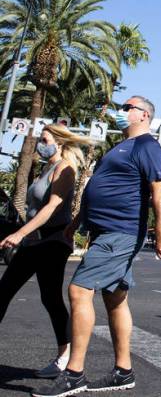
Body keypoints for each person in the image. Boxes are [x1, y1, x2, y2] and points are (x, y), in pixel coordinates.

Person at [35, 96, 161, 397]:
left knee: (79, 290)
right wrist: (76, 224)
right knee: (115, 299)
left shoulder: (147, 146)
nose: (121, 112)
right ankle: (123, 371)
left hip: (119, 232)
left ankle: (74, 374)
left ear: (145, 115)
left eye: (128, 108)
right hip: (104, 231)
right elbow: (101, 188)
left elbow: (158, 190)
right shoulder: (121, 147)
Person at [0, 125, 87, 378]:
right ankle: (64, 355)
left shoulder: (66, 169)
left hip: (52, 243)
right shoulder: (45, 169)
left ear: (59, 143)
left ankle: (64, 356)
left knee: (50, 299)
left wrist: (20, 233)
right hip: (34, 243)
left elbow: (51, 209)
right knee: (3, 292)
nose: (40, 143)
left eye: (45, 139)